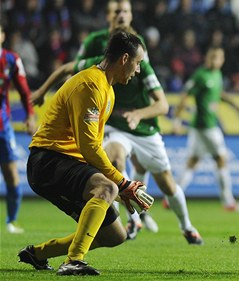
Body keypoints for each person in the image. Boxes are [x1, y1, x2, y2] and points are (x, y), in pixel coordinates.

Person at [30, 4, 203, 244]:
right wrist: (42, 91)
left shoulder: (140, 63)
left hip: (144, 129)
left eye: (125, 10)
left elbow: (163, 105)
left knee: (167, 184)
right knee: (116, 159)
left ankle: (187, 227)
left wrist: (139, 114)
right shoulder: (97, 60)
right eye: (116, 11)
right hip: (115, 128)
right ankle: (133, 219)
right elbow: (71, 69)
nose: (120, 15)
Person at [18, 31, 154, 276]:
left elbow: (90, 147)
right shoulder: (90, 84)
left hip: (67, 162)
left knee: (115, 235)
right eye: (138, 63)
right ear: (125, 59)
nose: (138, 70)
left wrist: (118, 183)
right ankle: (73, 260)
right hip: (48, 160)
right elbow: (89, 146)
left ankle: (37, 253)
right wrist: (121, 183)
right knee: (107, 189)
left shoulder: (107, 90)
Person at [172, 47, 239, 213]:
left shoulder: (217, 75)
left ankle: (172, 197)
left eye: (219, 57)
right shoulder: (201, 75)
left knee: (192, 162)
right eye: (213, 57)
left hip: (199, 127)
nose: (216, 60)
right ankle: (228, 202)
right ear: (207, 58)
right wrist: (177, 121)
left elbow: (219, 93)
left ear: (222, 60)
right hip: (206, 125)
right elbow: (185, 95)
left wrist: (235, 105)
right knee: (221, 159)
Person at [0, 25, 36, 234]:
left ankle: (11, 221)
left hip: (3, 126)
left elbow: (24, 91)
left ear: (3, 35)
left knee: (12, 176)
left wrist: (30, 116)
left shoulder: (11, 60)